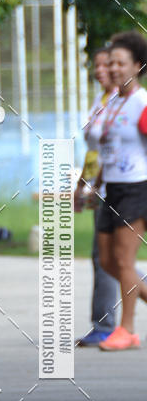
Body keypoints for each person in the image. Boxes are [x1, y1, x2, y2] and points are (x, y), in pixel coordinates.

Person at [95, 31, 147, 350]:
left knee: (124, 261)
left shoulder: (142, 103)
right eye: (111, 62)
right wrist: (96, 181)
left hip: (137, 188)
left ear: (138, 66)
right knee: (107, 261)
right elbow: (110, 147)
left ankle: (127, 330)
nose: (114, 68)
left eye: (121, 63)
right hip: (111, 188)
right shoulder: (113, 102)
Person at [75, 47, 119, 346]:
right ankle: (104, 323)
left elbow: (114, 151)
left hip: (117, 187)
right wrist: (81, 185)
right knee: (108, 257)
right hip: (100, 187)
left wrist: (97, 184)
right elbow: (94, 151)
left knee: (109, 257)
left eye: (108, 65)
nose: (101, 70)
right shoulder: (101, 100)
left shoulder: (123, 102)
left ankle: (106, 325)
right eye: (98, 65)